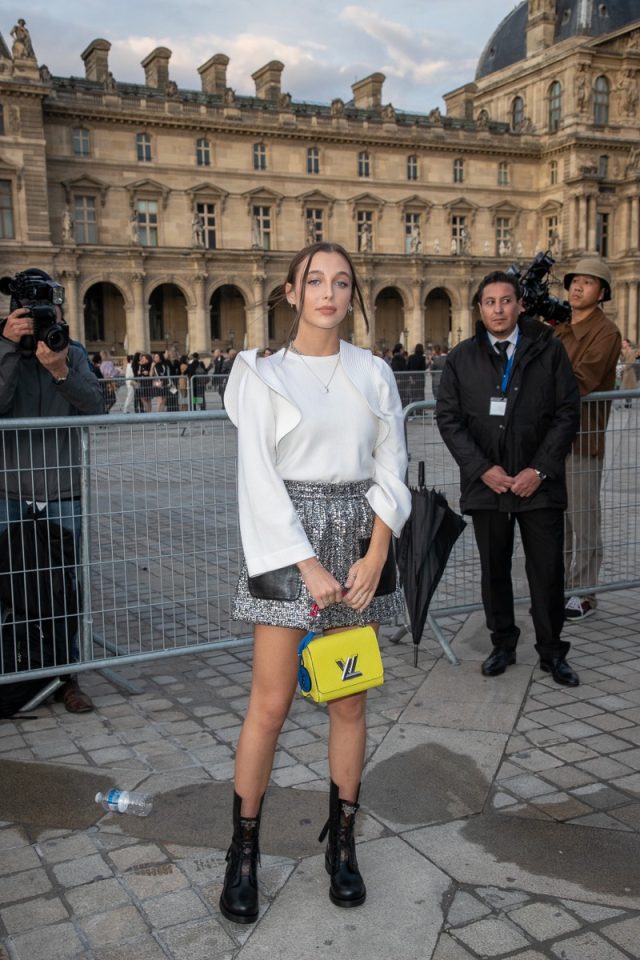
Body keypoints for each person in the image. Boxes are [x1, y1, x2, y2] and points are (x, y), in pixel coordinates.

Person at [220, 241, 411, 924]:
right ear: (292, 292)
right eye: (314, 281)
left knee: (349, 703)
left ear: (352, 294)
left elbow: (393, 463)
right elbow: (257, 479)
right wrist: (306, 564)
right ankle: (243, 852)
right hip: (285, 544)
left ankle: (344, 847)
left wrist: (377, 549)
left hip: (359, 543)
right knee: (269, 706)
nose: (328, 293)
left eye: (341, 282)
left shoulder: (375, 373)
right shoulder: (259, 373)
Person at [436, 271, 581, 687]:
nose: (498, 309)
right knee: (494, 569)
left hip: (539, 484)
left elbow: (566, 412)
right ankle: (502, 644)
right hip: (489, 485)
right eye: (489, 302)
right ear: (479, 308)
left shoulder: (548, 351)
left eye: (505, 300)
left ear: (519, 305)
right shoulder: (462, 358)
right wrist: (483, 469)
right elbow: (449, 419)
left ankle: (553, 652)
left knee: (547, 570)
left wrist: (540, 469)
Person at [0, 268, 104, 712]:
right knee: (10, 585)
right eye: (36, 310)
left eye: (51, 308)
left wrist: (61, 371)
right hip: (9, 492)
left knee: (65, 587)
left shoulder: (72, 352)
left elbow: (96, 406)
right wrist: (7, 349)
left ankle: (67, 676)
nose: (46, 319)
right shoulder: (2, 352)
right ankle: (15, 669)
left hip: (62, 493)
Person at [554, 258, 622, 622]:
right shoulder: (559, 328)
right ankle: (561, 585)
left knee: (583, 518)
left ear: (603, 292)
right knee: (558, 521)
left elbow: (583, 379)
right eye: (574, 281)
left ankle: (585, 593)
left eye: (588, 282)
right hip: (552, 440)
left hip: (582, 439)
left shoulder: (606, 332)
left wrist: (544, 387)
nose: (577, 287)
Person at [620, 338, 637, 407]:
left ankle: (628, 403)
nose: (623, 344)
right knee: (626, 388)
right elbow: (623, 359)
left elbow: (631, 362)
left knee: (628, 387)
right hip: (626, 372)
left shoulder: (632, 351)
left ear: (628, 343)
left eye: (624, 343)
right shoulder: (625, 351)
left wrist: (624, 367)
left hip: (629, 372)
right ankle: (627, 403)